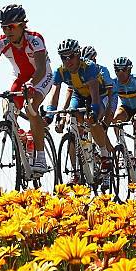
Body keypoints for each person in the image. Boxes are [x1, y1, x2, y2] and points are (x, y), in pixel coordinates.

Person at [0, 4, 53, 177]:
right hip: (21, 78)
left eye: (12, 27)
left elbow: (41, 69)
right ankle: (21, 137)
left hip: (41, 77)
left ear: (22, 25)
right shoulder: (1, 43)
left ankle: (41, 157)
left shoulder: (35, 39)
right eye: (4, 27)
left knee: (32, 109)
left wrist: (31, 85)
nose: (8, 31)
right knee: (7, 107)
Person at [45, 39, 112, 185]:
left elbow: (94, 96)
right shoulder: (60, 71)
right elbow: (55, 94)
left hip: (99, 94)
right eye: (63, 57)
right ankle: (75, 172)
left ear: (78, 55)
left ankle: (105, 156)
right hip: (79, 94)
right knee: (72, 126)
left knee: (92, 120)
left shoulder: (89, 67)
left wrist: (94, 113)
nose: (67, 61)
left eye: (71, 56)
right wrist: (50, 113)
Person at [112, 57, 136, 191]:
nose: (120, 73)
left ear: (129, 70)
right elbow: (111, 103)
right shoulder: (115, 83)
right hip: (126, 108)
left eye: (123, 70)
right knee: (115, 119)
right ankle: (123, 150)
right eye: (117, 70)